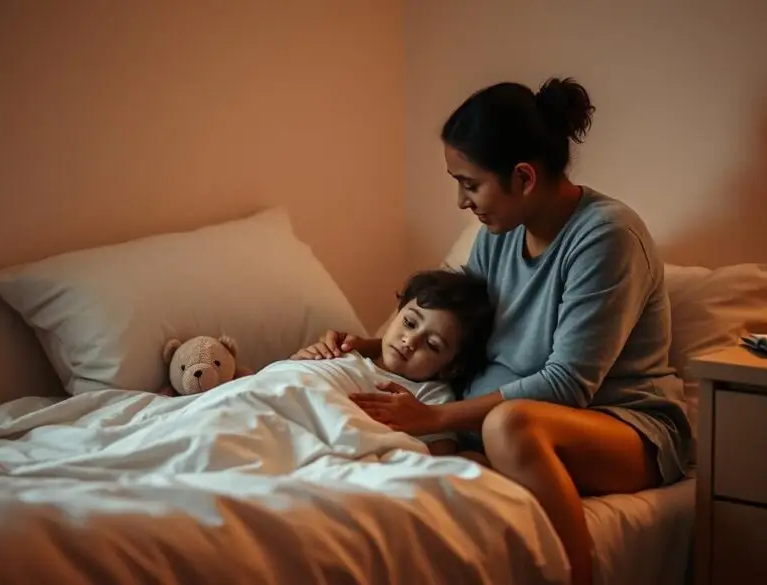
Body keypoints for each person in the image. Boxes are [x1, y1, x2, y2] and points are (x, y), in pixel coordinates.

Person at [292, 77, 693, 585]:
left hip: (624, 429)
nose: (463, 202)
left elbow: (566, 386)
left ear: (523, 178)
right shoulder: (497, 236)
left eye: (470, 184)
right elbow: (458, 333)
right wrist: (362, 346)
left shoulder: (606, 237)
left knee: (508, 427)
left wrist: (432, 415)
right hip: (500, 425)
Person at [290, 268, 495, 456]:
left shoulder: (430, 395)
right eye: (409, 323)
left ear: (451, 368)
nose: (410, 341)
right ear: (398, 311)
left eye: (432, 344)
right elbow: (288, 376)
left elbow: (437, 457)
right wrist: (303, 359)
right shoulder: (346, 351)